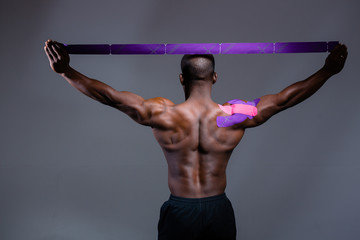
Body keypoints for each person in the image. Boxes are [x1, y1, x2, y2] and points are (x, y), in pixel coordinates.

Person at [44, 40, 348, 240]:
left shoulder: (162, 113)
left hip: (180, 212)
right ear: (214, 77)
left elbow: (109, 97)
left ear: (181, 78)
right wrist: (327, 71)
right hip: (218, 211)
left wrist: (66, 71)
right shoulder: (237, 114)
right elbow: (283, 100)